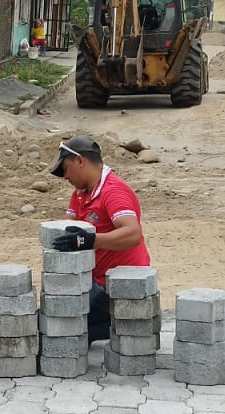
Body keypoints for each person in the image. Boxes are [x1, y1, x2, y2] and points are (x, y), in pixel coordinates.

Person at [46, 135, 151, 342]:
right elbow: (68, 225)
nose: (65, 177)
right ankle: (105, 325)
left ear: (80, 161)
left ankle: (114, 321)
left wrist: (89, 240)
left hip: (119, 285)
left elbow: (133, 233)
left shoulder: (113, 191)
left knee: (63, 331)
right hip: (95, 279)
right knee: (51, 318)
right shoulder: (80, 193)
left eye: (66, 169)